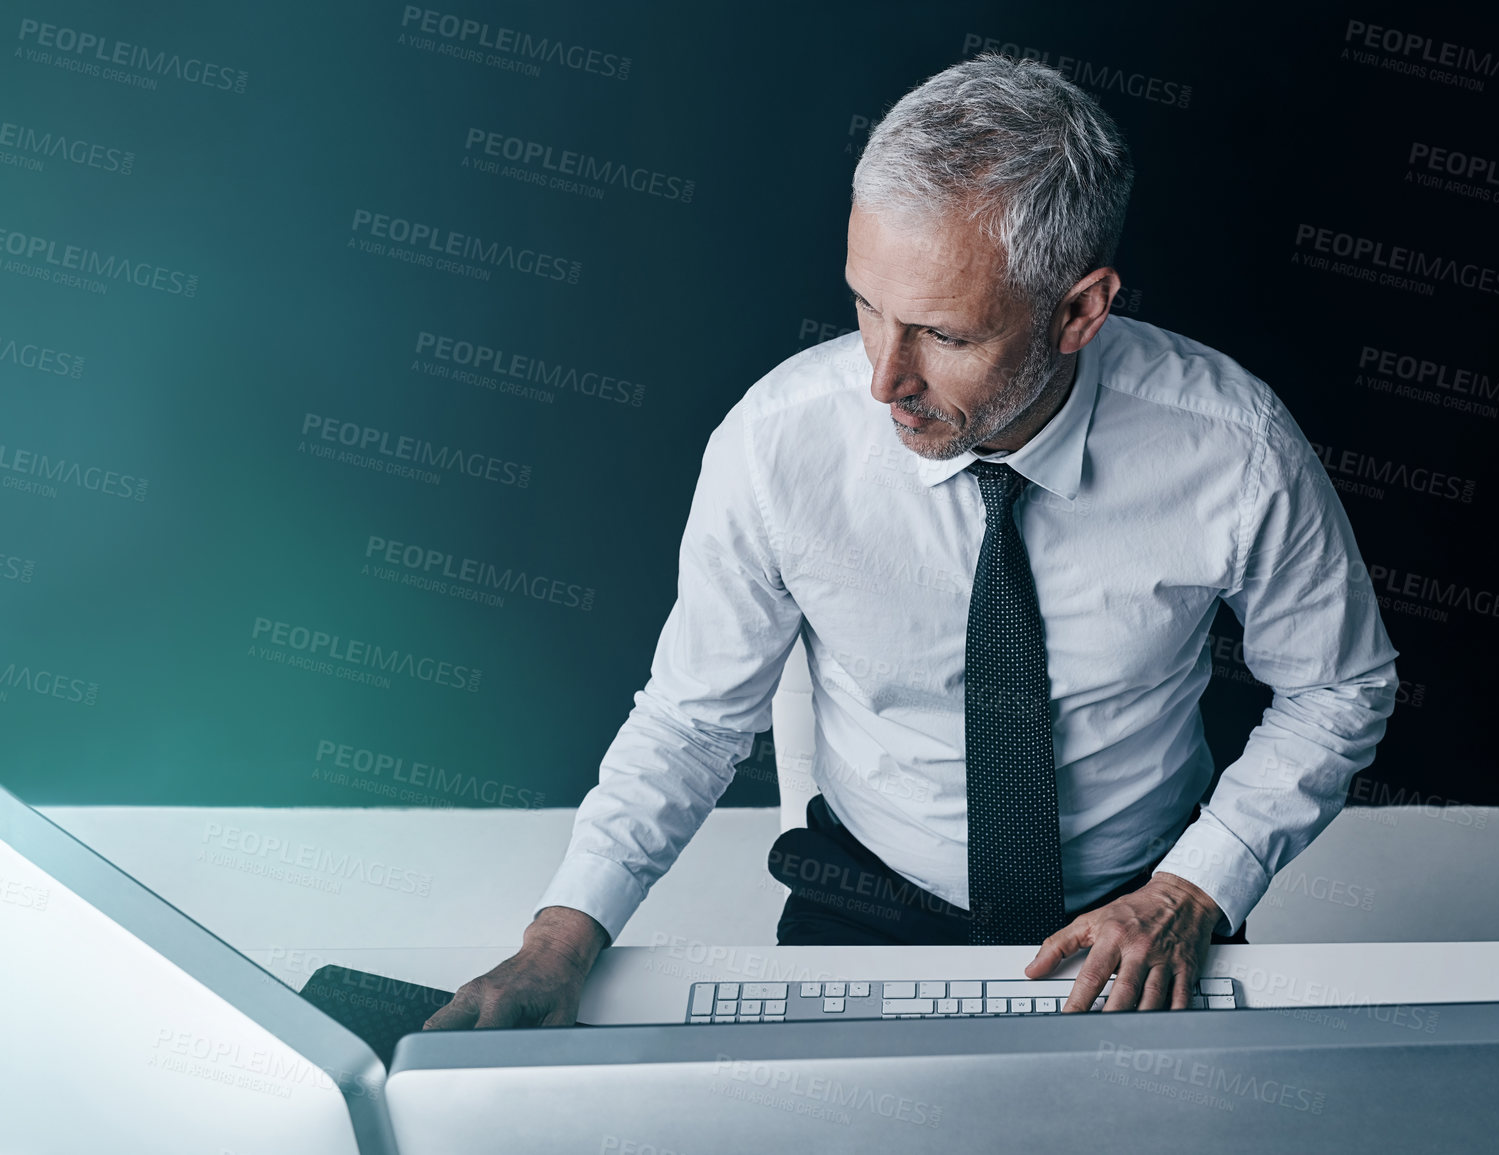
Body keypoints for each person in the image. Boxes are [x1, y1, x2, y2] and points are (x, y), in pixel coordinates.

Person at [426, 54, 1399, 1031]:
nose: (884, 379)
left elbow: (1340, 685)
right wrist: (558, 942)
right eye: (866, 308)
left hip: (1149, 905)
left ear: (1080, 311)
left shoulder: (1235, 449)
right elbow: (692, 720)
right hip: (868, 899)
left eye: (943, 334)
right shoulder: (777, 447)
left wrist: (1195, 889)